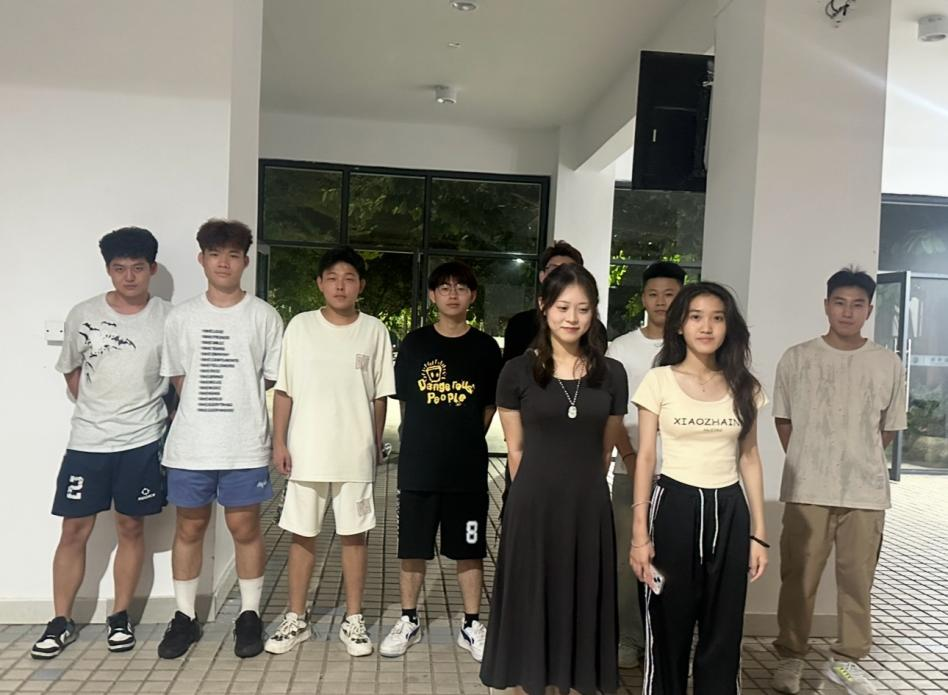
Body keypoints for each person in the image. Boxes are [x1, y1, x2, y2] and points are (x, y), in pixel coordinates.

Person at [480, 264, 627, 694]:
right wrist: (526, 502)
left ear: (594, 312)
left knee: (580, 595)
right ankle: (530, 681)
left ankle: (571, 680)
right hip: (533, 505)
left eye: (583, 308)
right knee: (533, 596)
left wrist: (582, 489)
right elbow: (516, 450)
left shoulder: (612, 373)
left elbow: (605, 449)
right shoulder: (516, 371)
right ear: (544, 307)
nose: (572, 318)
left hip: (588, 506)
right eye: (563, 307)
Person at [32, 228, 170, 659]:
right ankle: (60, 620)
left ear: (151, 269)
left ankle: (120, 616)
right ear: (108, 270)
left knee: (131, 527)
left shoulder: (169, 318)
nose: (129, 277)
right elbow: (72, 373)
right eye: (119, 268)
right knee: (74, 529)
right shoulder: (83, 314)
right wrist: (98, 408)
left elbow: (176, 378)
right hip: (88, 442)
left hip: (142, 440)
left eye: (138, 268)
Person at [770, 268, 907, 695]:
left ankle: (847, 661)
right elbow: (784, 420)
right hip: (808, 488)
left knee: (857, 582)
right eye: (840, 303)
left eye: (857, 304)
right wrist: (812, 459)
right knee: (799, 578)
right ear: (826, 305)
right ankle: (791, 657)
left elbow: (888, 429)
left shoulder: (887, 362)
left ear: (870, 310)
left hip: (866, 492)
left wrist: (857, 458)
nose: (848, 312)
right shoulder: (797, 357)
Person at [630, 281, 768, 695]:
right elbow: (646, 458)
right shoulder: (658, 381)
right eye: (696, 317)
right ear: (679, 326)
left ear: (729, 327)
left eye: (717, 318)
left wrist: (759, 534)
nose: (706, 327)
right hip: (674, 506)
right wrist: (640, 534)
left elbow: (750, 458)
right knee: (667, 620)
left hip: (730, 509)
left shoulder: (745, 386)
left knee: (723, 626)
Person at [157, 219, 283, 660]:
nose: (223, 263)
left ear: (245, 261)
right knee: (189, 527)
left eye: (232, 255)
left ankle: (249, 614)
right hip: (191, 445)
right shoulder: (181, 317)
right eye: (215, 254)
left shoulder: (264, 316)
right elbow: (178, 377)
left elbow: (270, 378)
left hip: (244, 443)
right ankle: (184, 616)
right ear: (202, 259)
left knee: (245, 528)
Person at [264, 246, 394, 658]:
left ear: (361, 286)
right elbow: (284, 390)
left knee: (355, 537)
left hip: (354, 453)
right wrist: (279, 441)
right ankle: (296, 617)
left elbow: (379, 396)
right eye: (332, 278)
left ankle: (354, 619)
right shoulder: (300, 326)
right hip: (306, 451)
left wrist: (374, 443)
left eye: (349, 278)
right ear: (320, 283)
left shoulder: (374, 330)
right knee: (302, 535)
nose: (340, 286)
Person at [379, 261, 502, 662]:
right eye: (444, 287)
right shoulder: (414, 344)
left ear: (472, 296)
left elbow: (488, 406)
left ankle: (471, 624)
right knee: (412, 548)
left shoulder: (486, 348)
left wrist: (463, 438)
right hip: (419, 468)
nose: (452, 294)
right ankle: (408, 619)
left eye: (461, 288)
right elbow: (406, 403)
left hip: (467, 471)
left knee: (470, 548)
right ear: (433, 295)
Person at [605, 261, 685, 667]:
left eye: (670, 294)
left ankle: (667, 638)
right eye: (653, 294)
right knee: (627, 559)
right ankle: (629, 637)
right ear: (642, 299)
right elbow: (612, 412)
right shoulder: (620, 349)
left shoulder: (693, 347)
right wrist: (630, 457)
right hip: (630, 471)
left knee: (674, 560)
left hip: (683, 475)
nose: (661, 302)